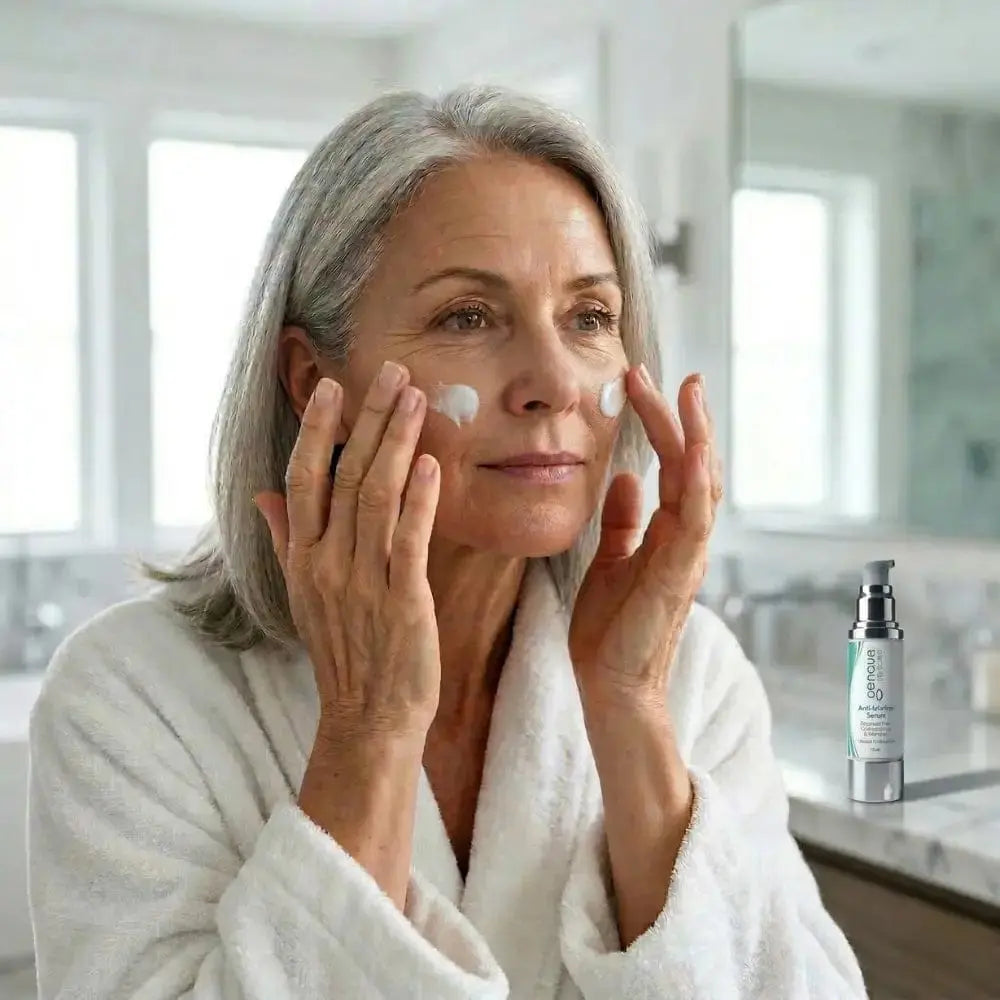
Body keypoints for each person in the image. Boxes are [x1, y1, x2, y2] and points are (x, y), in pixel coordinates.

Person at [27, 86, 867, 999]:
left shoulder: (693, 679)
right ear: (314, 382)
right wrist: (369, 729)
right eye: (469, 316)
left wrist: (630, 717)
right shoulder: (132, 697)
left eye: (589, 317)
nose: (554, 383)